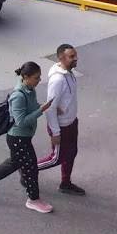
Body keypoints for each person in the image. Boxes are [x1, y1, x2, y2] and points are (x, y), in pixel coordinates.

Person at [0, 61, 56, 214]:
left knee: (14, 163)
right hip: (18, 138)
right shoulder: (18, 95)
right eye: (36, 78)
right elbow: (20, 122)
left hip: (22, 138)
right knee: (31, 168)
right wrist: (41, 110)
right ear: (26, 77)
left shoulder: (29, 89)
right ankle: (33, 200)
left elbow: (31, 107)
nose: (39, 80)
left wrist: (43, 106)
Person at [37, 44, 85, 195]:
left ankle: (65, 183)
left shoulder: (69, 73)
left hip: (71, 122)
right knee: (55, 159)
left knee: (71, 154)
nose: (75, 58)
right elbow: (50, 108)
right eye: (72, 56)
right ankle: (27, 168)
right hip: (60, 127)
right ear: (61, 58)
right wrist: (56, 133)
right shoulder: (58, 80)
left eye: (75, 55)